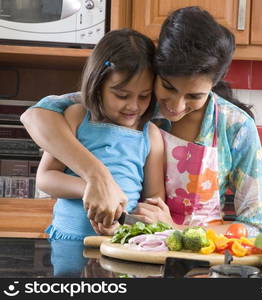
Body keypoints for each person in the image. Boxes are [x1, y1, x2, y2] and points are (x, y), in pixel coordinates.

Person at [21, 7, 262, 237]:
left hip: (197, 259)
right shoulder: (136, 104)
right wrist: (97, 176)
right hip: (128, 245)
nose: (176, 105)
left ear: (213, 84)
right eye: (167, 87)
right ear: (156, 70)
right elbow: (35, 115)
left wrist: (175, 230)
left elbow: (257, 227)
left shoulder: (235, 127)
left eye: (194, 96)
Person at [34, 28, 165, 240]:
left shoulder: (151, 135)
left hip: (122, 243)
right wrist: (93, 187)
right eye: (122, 95)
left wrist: (125, 228)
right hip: (67, 237)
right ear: (97, 84)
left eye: (144, 96)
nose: (133, 106)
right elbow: (45, 177)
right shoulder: (76, 116)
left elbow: (153, 204)